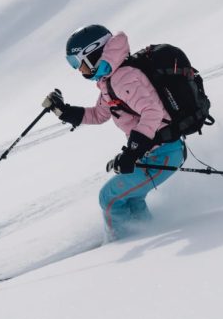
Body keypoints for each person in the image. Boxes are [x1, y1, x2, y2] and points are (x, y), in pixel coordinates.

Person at [43, 24, 187, 239]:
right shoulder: (110, 81)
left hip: (164, 152)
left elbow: (152, 112)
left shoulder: (124, 78)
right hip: (158, 152)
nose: (78, 70)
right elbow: (99, 115)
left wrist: (131, 153)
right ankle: (144, 234)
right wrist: (63, 111)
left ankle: (119, 242)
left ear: (93, 54)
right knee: (131, 198)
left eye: (77, 62)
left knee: (108, 197)